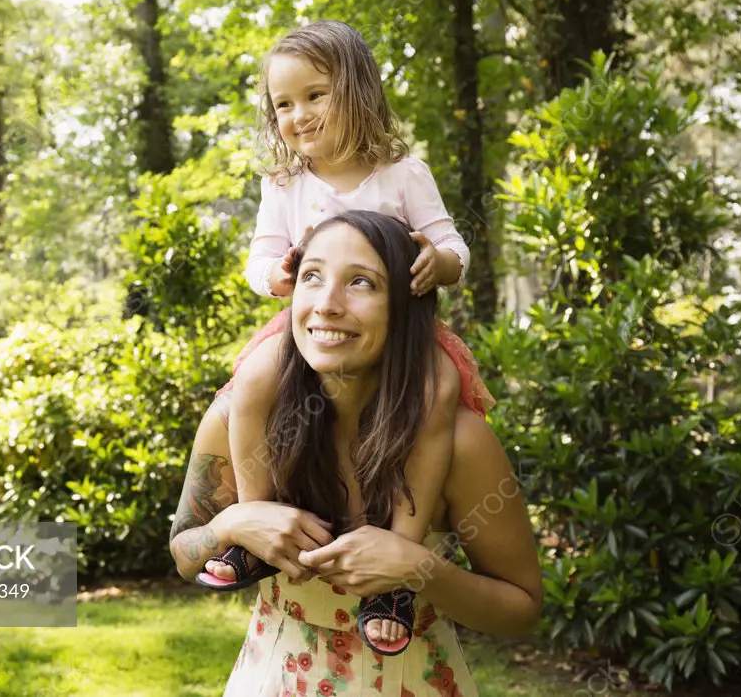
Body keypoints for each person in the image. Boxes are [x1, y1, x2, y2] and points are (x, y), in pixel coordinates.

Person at [195, 19, 495, 656]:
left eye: (315, 95)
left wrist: (440, 264)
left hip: (402, 334)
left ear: (357, 90)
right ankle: (255, 528)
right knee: (250, 380)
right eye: (283, 103)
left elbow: (451, 243)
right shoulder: (284, 186)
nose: (298, 114)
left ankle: (398, 569)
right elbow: (261, 258)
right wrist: (273, 275)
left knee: (439, 391)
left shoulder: (403, 175)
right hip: (307, 330)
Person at [170, 211, 541, 694]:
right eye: (312, 277)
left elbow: (523, 610)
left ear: (406, 306)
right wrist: (233, 524)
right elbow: (184, 553)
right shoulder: (238, 416)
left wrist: (417, 569)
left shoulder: (459, 443)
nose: (327, 304)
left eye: (362, 282)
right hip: (270, 679)